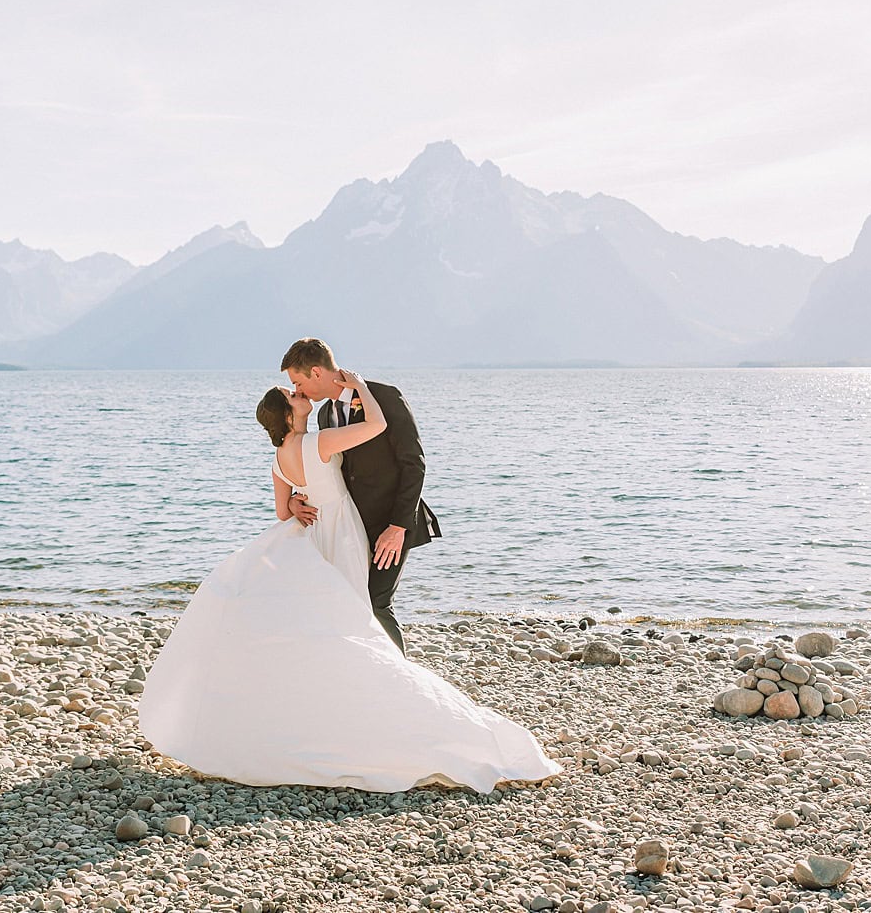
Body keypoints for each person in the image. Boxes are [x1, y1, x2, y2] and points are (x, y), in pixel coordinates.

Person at [137, 368, 559, 793]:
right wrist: (358, 386)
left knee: (327, 621)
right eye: (293, 393)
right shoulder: (316, 440)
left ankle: (329, 705)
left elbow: (284, 514)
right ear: (288, 414)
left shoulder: (279, 457)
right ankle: (384, 696)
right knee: (353, 616)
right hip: (341, 533)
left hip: (311, 538)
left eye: (298, 385)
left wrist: (301, 501)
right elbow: (375, 426)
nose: (300, 393)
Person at [282, 337, 440, 651]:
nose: (298, 391)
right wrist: (293, 499)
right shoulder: (325, 415)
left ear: (316, 372)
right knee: (350, 599)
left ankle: (400, 680)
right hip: (351, 527)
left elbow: (414, 464)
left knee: (376, 600)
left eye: (298, 382)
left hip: (392, 523)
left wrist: (398, 527)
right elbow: (326, 471)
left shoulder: (383, 396)